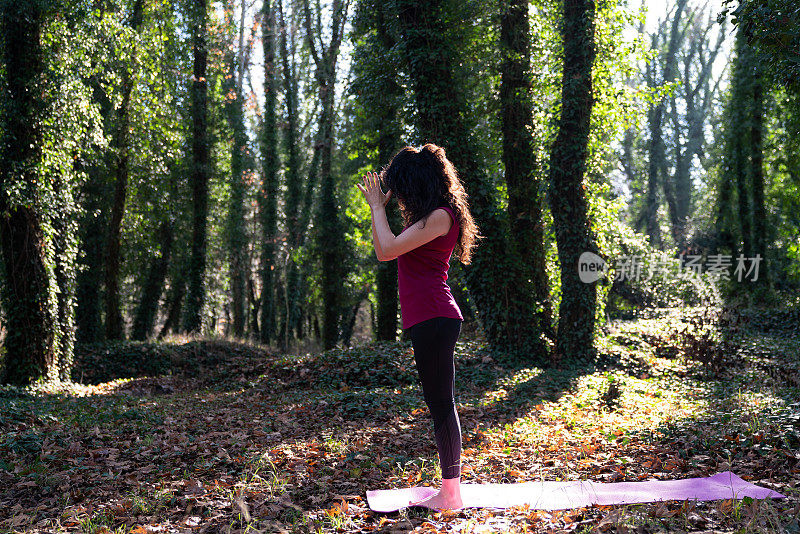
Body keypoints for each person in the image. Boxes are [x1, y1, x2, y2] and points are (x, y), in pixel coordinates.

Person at [356, 143, 480, 511]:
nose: (400, 198)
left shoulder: (441, 216)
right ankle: (450, 488)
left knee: (442, 404)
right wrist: (377, 212)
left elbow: (390, 247)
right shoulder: (428, 218)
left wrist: (378, 208)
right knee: (438, 402)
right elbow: (383, 251)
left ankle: (451, 493)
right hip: (429, 316)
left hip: (435, 315)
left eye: (403, 189)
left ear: (418, 182)